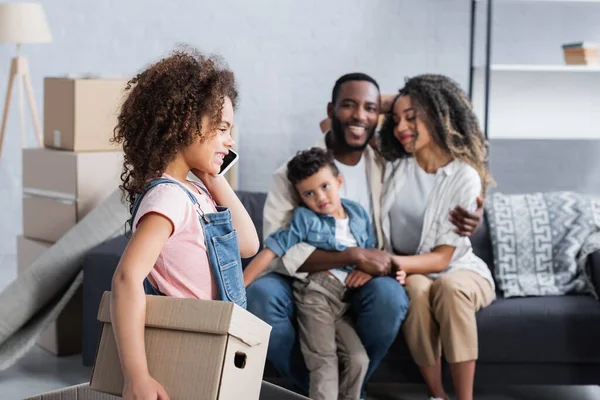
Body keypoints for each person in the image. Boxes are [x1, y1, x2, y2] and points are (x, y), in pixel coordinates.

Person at [246, 72, 484, 398]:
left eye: (370, 108)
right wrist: (353, 256)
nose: (360, 115)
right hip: (305, 278)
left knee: (392, 296)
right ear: (331, 111)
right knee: (261, 296)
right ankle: (323, 389)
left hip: (364, 279)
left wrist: (402, 97)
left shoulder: (384, 161)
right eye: (348, 106)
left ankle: (345, 386)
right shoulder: (297, 171)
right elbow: (281, 249)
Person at [109, 49, 259, 400]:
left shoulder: (193, 191)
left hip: (213, 341)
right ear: (183, 125)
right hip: (188, 343)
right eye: (221, 128)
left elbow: (248, 244)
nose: (230, 140)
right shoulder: (169, 198)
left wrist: (212, 176)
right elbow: (126, 278)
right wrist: (136, 376)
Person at [378, 74, 495, 400]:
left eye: (412, 117)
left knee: (450, 287)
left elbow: (444, 258)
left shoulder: (463, 176)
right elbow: (330, 124)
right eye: (396, 119)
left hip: (460, 270)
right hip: (411, 273)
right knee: (415, 289)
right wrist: (397, 101)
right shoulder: (396, 165)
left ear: (437, 113)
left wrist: (383, 263)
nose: (401, 127)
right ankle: (437, 394)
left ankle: (465, 398)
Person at [244, 147, 387, 400]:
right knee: (325, 365)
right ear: (300, 198)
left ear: (339, 181)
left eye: (325, 186)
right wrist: (239, 288)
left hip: (342, 304)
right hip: (316, 297)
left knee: (358, 360)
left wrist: (368, 272)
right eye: (309, 193)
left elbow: (369, 254)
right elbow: (273, 249)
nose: (320, 198)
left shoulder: (358, 214)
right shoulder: (306, 219)